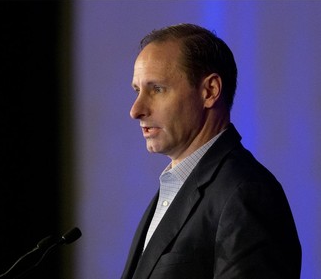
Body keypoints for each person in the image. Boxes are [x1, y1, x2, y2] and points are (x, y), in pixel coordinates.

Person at [121, 24, 301, 279]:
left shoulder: (245, 193)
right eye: (138, 91)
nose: (136, 110)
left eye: (157, 89)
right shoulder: (176, 187)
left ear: (210, 91)